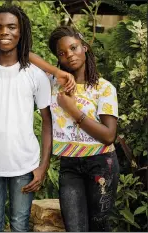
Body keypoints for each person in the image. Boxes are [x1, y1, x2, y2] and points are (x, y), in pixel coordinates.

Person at [0, 4, 76, 232]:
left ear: (21, 31)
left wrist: (42, 166)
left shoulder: (35, 75)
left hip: (26, 165)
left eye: (12, 27)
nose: (5, 32)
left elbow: (47, 122)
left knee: (20, 225)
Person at [48, 26, 119, 231]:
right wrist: (56, 72)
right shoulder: (55, 83)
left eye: (74, 48)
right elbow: (26, 54)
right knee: (75, 228)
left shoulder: (104, 88)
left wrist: (73, 110)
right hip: (69, 165)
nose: (69, 55)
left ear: (85, 47)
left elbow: (109, 135)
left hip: (101, 164)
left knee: (98, 226)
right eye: (62, 53)